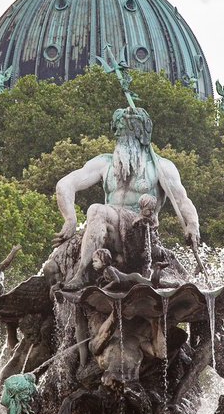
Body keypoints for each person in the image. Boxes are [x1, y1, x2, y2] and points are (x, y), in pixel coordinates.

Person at [52, 106, 200, 288]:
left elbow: (182, 200)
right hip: (111, 233)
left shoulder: (161, 167)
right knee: (95, 215)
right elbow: (64, 185)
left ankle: (82, 273)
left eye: (129, 130)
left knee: (97, 210)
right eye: (120, 131)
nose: (123, 136)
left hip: (141, 235)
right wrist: (70, 219)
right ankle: (82, 272)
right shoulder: (105, 163)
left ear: (143, 133)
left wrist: (192, 224)